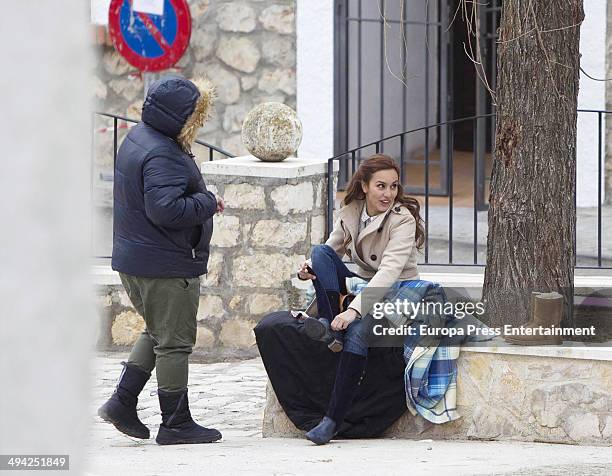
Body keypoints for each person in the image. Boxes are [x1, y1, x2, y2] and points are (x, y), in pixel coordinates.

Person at [98, 76, 225, 445]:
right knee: (174, 343)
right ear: (181, 118)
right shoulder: (163, 152)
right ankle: (176, 423)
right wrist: (208, 202)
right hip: (165, 264)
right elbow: (166, 210)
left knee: (157, 330)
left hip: (137, 257)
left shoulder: (140, 137)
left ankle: (122, 402)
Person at [296, 154, 425, 445]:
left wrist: (353, 311)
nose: (388, 193)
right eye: (381, 186)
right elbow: (331, 250)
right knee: (320, 254)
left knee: (356, 332)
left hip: (396, 291)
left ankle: (331, 421)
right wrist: (307, 269)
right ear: (364, 186)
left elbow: (388, 273)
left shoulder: (402, 219)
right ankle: (331, 326)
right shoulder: (352, 211)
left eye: (393, 186)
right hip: (364, 285)